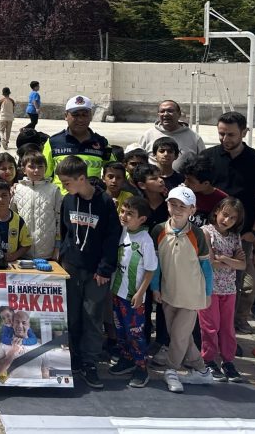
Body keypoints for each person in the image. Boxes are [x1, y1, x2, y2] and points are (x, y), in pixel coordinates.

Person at [201, 111, 255, 336]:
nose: (225, 139)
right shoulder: (208, 157)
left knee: (237, 281)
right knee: (206, 276)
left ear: (244, 133)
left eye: (231, 134)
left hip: (243, 234)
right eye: (221, 134)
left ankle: (229, 327)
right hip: (210, 233)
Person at [55, 156, 121, 389]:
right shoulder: (68, 201)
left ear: (81, 178)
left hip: (96, 272)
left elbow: (112, 238)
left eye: (67, 182)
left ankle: (90, 361)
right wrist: (63, 259)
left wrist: (105, 268)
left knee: (92, 316)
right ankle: (72, 358)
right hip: (72, 267)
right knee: (71, 315)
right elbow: (66, 233)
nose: (64, 186)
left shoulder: (105, 202)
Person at [150, 186, 214, 393]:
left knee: (178, 335)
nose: (177, 209)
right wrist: (155, 288)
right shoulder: (159, 230)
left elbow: (206, 265)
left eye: (182, 206)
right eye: (173, 204)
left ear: (192, 210)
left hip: (192, 294)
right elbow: (156, 264)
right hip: (168, 293)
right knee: (181, 336)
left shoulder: (197, 234)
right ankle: (201, 369)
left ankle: (172, 369)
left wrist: (208, 293)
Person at [110, 196, 158, 388]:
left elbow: (150, 269)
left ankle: (141, 367)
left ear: (142, 219)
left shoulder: (145, 240)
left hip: (133, 297)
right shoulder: (122, 232)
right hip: (117, 293)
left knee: (135, 333)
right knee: (120, 330)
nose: (124, 216)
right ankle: (126, 359)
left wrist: (140, 293)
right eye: (122, 211)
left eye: (130, 214)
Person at [199, 197, 246, 382]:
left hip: (229, 289)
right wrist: (230, 260)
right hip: (209, 289)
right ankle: (208, 360)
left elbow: (242, 265)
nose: (226, 220)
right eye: (225, 215)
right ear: (217, 211)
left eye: (233, 218)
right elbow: (210, 263)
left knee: (227, 328)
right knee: (210, 327)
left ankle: (228, 361)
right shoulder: (206, 232)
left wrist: (224, 259)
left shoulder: (235, 237)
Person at [43, 95, 114, 194]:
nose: (80, 119)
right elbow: (43, 175)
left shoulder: (102, 143)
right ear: (65, 116)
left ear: (91, 116)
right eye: (75, 115)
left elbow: (114, 171)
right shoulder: (53, 142)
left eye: (84, 115)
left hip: (92, 202)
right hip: (61, 203)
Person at [0, 310, 69, 380]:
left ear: (29, 325)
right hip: (15, 389)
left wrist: (46, 389)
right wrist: (12, 353)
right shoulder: (3, 345)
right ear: (12, 324)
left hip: (37, 389)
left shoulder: (40, 347)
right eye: (17, 322)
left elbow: (45, 372)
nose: (20, 326)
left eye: (24, 322)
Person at [14, 152, 62, 260]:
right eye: (31, 167)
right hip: (22, 252)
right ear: (24, 170)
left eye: (40, 167)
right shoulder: (17, 189)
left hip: (47, 252)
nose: (36, 170)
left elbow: (59, 220)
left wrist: (57, 248)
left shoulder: (53, 190)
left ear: (46, 168)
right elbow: (12, 218)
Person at [136, 100, 206, 172]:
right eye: (162, 111)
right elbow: (137, 160)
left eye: (170, 111)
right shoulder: (148, 135)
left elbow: (203, 162)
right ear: (158, 114)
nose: (166, 114)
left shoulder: (194, 137)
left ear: (179, 114)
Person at [183, 158, 230, 230]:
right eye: (185, 178)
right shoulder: (184, 193)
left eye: (190, 181)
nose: (185, 183)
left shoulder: (223, 200)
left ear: (206, 183)